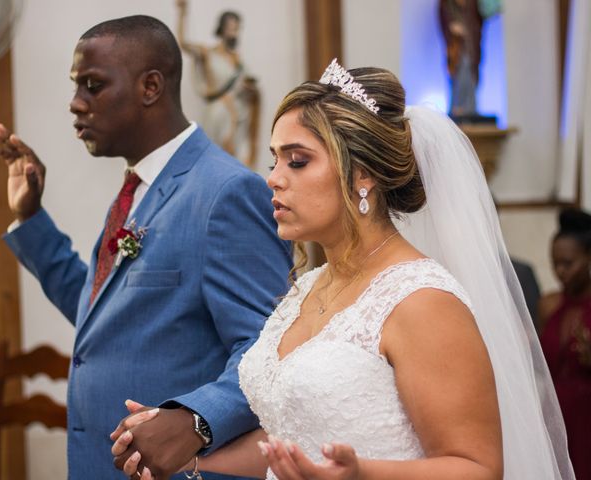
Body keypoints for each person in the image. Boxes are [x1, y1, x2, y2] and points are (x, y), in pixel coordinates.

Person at [114, 59, 574, 479]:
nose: (273, 177)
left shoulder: (422, 300)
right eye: (274, 160)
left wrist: (362, 475)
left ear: (363, 175)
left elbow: (477, 467)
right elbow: (290, 440)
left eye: (297, 161)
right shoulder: (309, 288)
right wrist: (190, 456)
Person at [0, 15, 292, 479]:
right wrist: (31, 219)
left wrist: (196, 418)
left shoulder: (224, 192)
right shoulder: (139, 190)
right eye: (76, 86)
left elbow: (270, 347)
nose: (76, 103)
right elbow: (103, 318)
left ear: (150, 86)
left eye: (92, 85)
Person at [176, 0, 260, 168]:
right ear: (222, 29)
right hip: (218, 113)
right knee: (216, 161)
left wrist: (249, 89)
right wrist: (182, 14)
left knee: (236, 162)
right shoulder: (208, 53)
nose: (234, 33)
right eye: (231, 28)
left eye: (237, 28)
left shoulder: (237, 59)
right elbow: (183, 43)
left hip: (238, 113)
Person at [539, 208, 591, 480]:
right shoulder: (549, 304)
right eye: (555, 263)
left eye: (568, 263)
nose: (560, 271)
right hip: (554, 414)